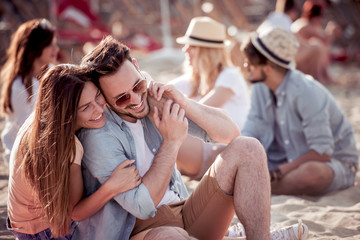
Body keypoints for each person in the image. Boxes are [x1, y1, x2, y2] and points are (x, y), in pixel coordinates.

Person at [74, 35, 308, 240]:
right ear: (104, 99)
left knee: (248, 147)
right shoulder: (99, 135)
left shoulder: (150, 96)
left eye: (137, 85)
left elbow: (230, 133)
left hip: (185, 210)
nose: (135, 100)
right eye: (122, 98)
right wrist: (172, 141)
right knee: (172, 236)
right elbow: (143, 207)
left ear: (137, 67)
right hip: (138, 230)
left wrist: (184, 103)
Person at [7, 64, 141, 239]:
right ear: (67, 113)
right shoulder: (65, 146)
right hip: (42, 232)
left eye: (98, 96)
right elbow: (75, 213)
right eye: (86, 107)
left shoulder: (44, 116)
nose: (99, 109)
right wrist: (112, 187)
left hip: (22, 221)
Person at [241, 27, 358, 195]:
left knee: (311, 174)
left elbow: (322, 152)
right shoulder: (260, 87)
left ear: (267, 68)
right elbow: (252, 128)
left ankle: (257, 189)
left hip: (334, 163)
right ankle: (258, 186)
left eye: (250, 63)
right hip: (283, 158)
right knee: (227, 153)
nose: (246, 66)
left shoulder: (306, 92)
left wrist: (279, 171)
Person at [169, 16, 250, 179]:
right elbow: (161, 89)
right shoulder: (195, 79)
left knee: (163, 125)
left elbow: (200, 112)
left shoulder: (230, 77)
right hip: (202, 151)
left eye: (191, 46)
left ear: (206, 51)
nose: (185, 50)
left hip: (218, 154)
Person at [0, 18, 60, 165]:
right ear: (36, 47)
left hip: (46, 148)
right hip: (23, 154)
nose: (56, 49)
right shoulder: (19, 85)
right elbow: (27, 132)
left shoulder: (54, 73)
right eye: (50, 45)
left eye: (55, 44)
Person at [291, 1, 339, 84]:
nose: (321, 20)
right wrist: (331, 31)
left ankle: (323, 76)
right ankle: (319, 77)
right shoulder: (306, 26)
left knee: (318, 46)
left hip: (298, 59)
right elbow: (326, 42)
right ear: (315, 17)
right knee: (318, 45)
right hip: (297, 61)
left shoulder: (304, 23)